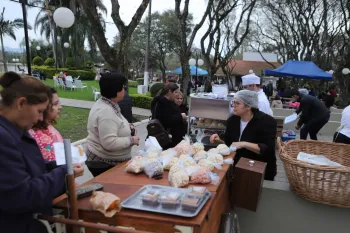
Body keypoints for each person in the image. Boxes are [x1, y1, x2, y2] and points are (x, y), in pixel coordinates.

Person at [0, 72, 83, 233]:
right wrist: (63, 173)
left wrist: (58, 166)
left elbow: (28, 165)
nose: (40, 119)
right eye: (39, 111)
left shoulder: (14, 130)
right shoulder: (3, 138)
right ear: (21, 104)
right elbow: (22, 195)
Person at [210, 90, 277, 181]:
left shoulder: (267, 122)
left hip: (258, 171)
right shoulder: (233, 120)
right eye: (233, 102)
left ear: (249, 106)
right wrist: (219, 140)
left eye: (237, 103)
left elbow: (267, 149)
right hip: (236, 168)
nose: (234, 106)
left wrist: (244, 144)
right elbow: (231, 144)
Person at [85, 72, 140, 177]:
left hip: (109, 161)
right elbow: (109, 143)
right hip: (103, 163)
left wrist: (128, 126)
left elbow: (116, 122)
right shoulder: (105, 111)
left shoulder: (109, 103)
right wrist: (131, 140)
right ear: (116, 90)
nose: (125, 90)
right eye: (123, 87)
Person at [29, 87, 63, 161]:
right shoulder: (42, 138)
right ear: (44, 107)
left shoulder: (47, 127)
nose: (60, 107)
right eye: (56, 104)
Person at [150, 83, 187, 148]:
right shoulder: (164, 103)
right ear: (170, 92)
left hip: (164, 137)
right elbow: (167, 120)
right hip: (164, 138)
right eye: (176, 92)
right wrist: (180, 116)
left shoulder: (163, 102)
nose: (177, 94)